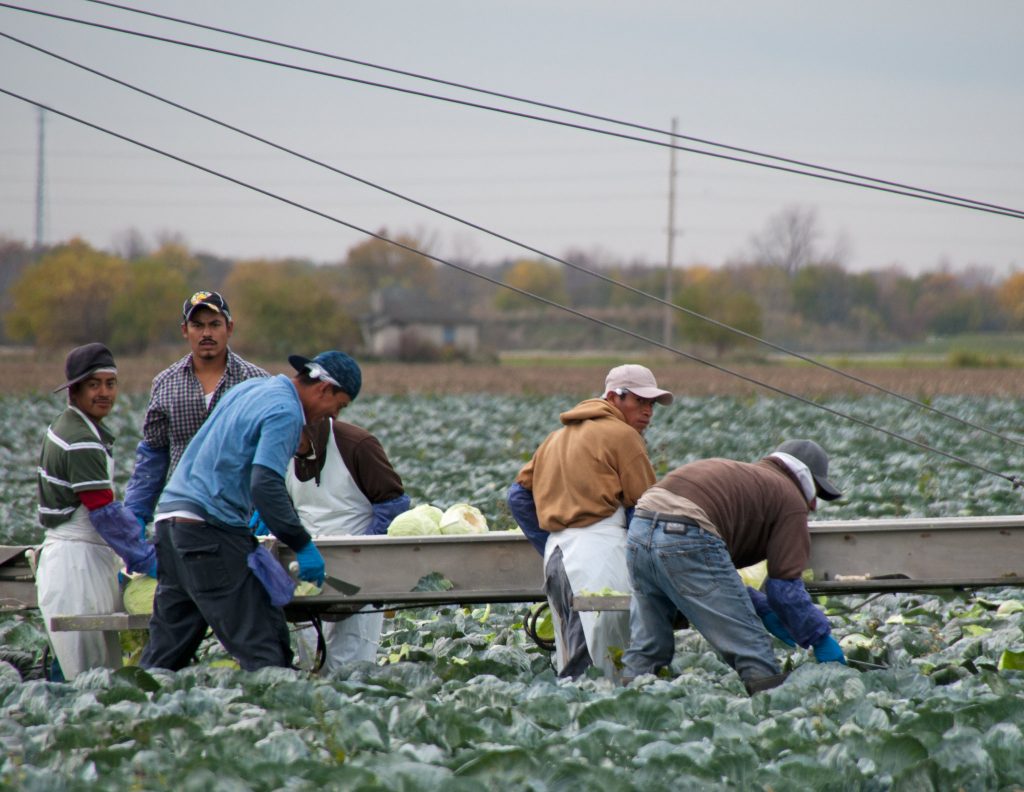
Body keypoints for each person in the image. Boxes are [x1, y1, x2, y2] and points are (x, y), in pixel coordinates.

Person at [139, 351, 354, 672]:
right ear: (324, 389)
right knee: (265, 647)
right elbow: (265, 483)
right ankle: (276, 717)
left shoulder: (252, 389)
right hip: (207, 531)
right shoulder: (286, 412)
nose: (332, 416)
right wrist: (301, 543)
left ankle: (133, 715)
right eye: (339, 406)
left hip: (171, 526)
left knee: (167, 651)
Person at [621, 438, 847, 694]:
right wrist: (819, 638)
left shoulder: (750, 478)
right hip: (686, 532)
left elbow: (713, 576)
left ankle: (629, 697)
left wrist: (761, 607)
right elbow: (784, 590)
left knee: (648, 647)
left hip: (639, 530)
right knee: (753, 650)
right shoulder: (790, 499)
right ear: (810, 483)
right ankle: (769, 706)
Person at [506, 364, 673, 678]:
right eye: (640, 401)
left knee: (572, 652)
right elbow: (646, 507)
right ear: (613, 396)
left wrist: (552, 540)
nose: (648, 411)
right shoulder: (624, 436)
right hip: (600, 557)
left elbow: (517, 496)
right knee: (600, 663)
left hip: (557, 560)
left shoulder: (555, 439)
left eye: (651, 404)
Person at [253, 353, 410, 671]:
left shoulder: (357, 444)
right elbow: (283, 504)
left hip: (356, 581)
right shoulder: (279, 445)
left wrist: (363, 555)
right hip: (308, 574)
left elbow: (394, 505)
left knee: (352, 669)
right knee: (314, 668)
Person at [35, 343, 157, 680]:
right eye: (94, 385)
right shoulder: (80, 439)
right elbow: (102, 511)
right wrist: (144, 557)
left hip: (79, 559)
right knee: (86, 674)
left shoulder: (73, 426)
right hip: (77, 567)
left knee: (85, 665)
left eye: (110, 383)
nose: (104, 393)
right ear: (74, 390)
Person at [124, 290, 267, 529]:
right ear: (184, 330)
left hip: (239, 520)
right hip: (181, 517)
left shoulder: (256, 382)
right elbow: (153, 456)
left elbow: (272, 452)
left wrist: (268, 508)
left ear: (229, 328)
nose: (207, 333)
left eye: (215, 324)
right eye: (197, 325)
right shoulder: (166, 383)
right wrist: (137, 511)